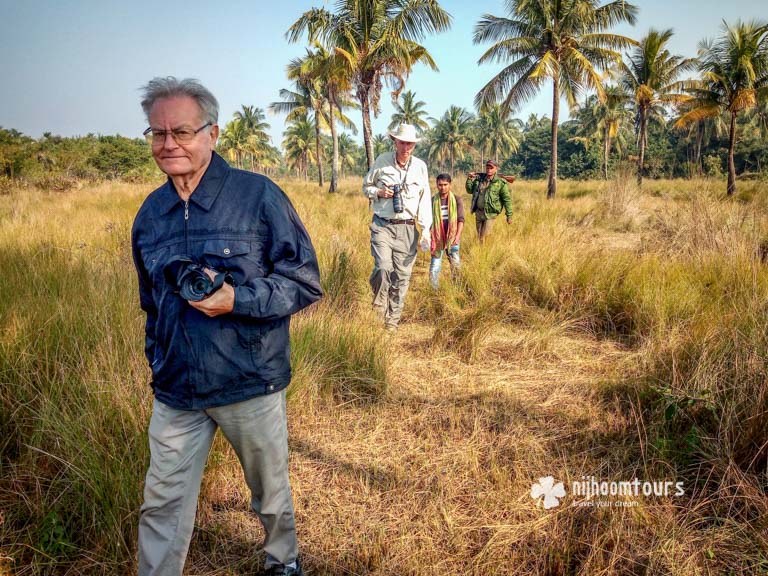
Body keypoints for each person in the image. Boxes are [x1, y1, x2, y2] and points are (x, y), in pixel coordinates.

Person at [131, 77, 322, 576]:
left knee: (270, 493)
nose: (168, 143)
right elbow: (151, 303)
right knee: (161, 503)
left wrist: (238, 298)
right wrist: (159, 360)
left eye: (182, 132)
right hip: (177, 390)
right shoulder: (150, 215)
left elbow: (303, 282)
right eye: (157, 133)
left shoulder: (258, 197)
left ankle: (282, 561)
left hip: (249, 380)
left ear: (213, 134)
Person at [363, 123, 432, 331]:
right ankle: (379, 305)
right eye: (402, 142)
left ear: (414, 145)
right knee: (383, 268)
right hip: (382, 225)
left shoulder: (420, 167)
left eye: (409, 144)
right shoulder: (382, 162)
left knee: (401, 278)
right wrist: (379, 193)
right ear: (395, 141)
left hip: (408, 229)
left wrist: (425, 230)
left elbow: (425, 200)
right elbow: (366, 186)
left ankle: (391, 323)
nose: (406, 147)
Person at [428, 174, 464, 288]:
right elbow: (429, 220)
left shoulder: (457, 199)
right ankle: (434, 290)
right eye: (440, 185)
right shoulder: (433, 200)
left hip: (452, 237)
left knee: (455, 264)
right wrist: (430, 235)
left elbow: (461, 220)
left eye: (445, 185)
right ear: (436, 185)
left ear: (450, 185)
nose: (442, 187)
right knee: (435, 266)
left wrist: (457, 236)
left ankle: (457, 288)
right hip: (437, 238)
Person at [465, 159, 513, 243]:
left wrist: (509, 215)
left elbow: (506, 200)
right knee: (480, 236)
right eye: (487, 168)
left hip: (490, 213)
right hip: (479, 212)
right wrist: (469, 179)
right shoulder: (479, 180)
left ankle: (486, 253)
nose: (489, 170)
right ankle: (481, 253)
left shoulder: (500, 183)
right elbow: (469, 190)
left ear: (496, 169)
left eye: (491, 168)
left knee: (485, 236)